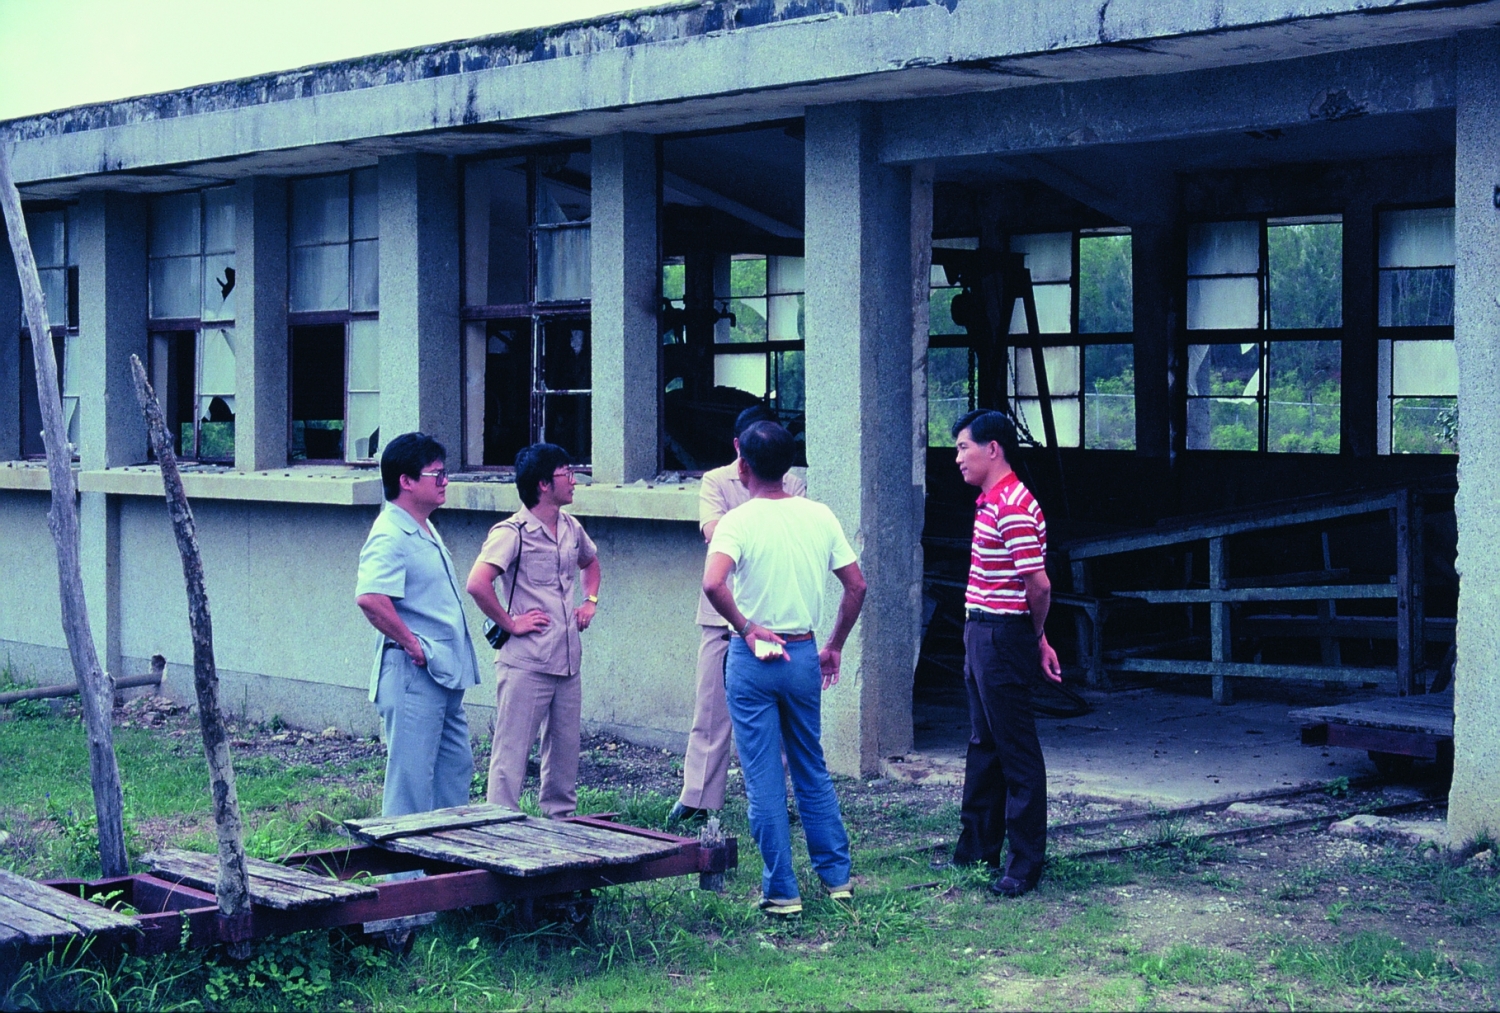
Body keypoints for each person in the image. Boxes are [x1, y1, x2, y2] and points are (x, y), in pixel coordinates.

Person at [702, 421, 866, 916]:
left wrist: (747, 627)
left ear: (743, 466)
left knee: (763, 777)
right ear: (790, 466)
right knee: (811, 766)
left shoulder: (737, 520)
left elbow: (713, 584)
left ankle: (782, 890)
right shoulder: (820, 516)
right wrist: (835, 644)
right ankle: (837, 879)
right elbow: (856, 585)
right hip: (801, 653)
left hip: (753, 657)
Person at [669, 405, 808, 825]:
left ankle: (777, 799)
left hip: (775, 612)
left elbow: (793, 536)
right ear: (738, 445)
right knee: (711, 708)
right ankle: (698, 796)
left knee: (782, 716)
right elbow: (714, 533)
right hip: (722, 613)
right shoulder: (715, 480)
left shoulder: (795, 481)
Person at [949, 409, 1063, 898]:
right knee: (984, 742)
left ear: (992, 448)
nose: (957, 458)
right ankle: (977, 846)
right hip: (983, 631)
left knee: (1014, 750)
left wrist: (1033, 636)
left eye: (963, 448)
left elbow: (1038, 585)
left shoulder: (1012, 505)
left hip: (1002, 634)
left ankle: (1024, 863)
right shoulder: (990, 500)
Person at [466, 443, 600, 817]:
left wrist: (590, 601)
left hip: (568, 660)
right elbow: (478, 583)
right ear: (543, 484)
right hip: (526, 663)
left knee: (564, 755)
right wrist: (509, 623)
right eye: (566, 473)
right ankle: (499, 829)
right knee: (511, 755)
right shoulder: (512, 532)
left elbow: (591, 563)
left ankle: (560, 828)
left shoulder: (572, 527)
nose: (574, 481)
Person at [356, 432, 481, 817]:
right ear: (406, 481)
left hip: (443, 674)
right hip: (414, 674)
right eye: (437, 474)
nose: (445, 482)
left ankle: (447, 866)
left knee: (454, 771)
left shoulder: (423, 526)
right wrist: (412, 644)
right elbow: (371, 598)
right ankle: (402, 878)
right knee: (410, 784)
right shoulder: (390, 532)